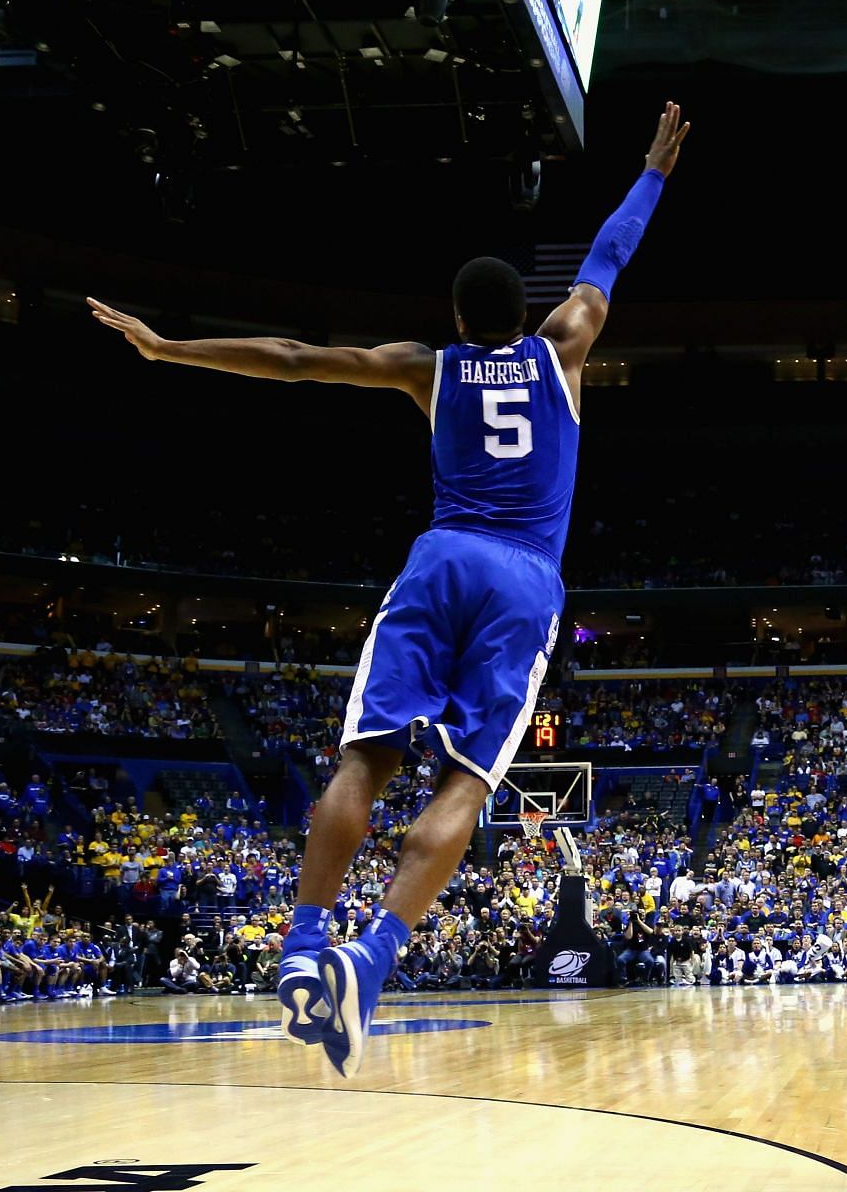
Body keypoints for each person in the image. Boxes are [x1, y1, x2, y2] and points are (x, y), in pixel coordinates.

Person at [93, 103, 689, 1077]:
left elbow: (291, 361)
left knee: (364, 757)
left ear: (458, 321)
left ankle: (300, 944)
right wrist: (654, 172)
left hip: (441, 557)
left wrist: (167, 349)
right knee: (467, 778)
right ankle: (369, 958)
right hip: (524, 579)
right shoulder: (566, 345)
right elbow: (609, 255)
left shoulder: (429, 369)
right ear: (521, 314)